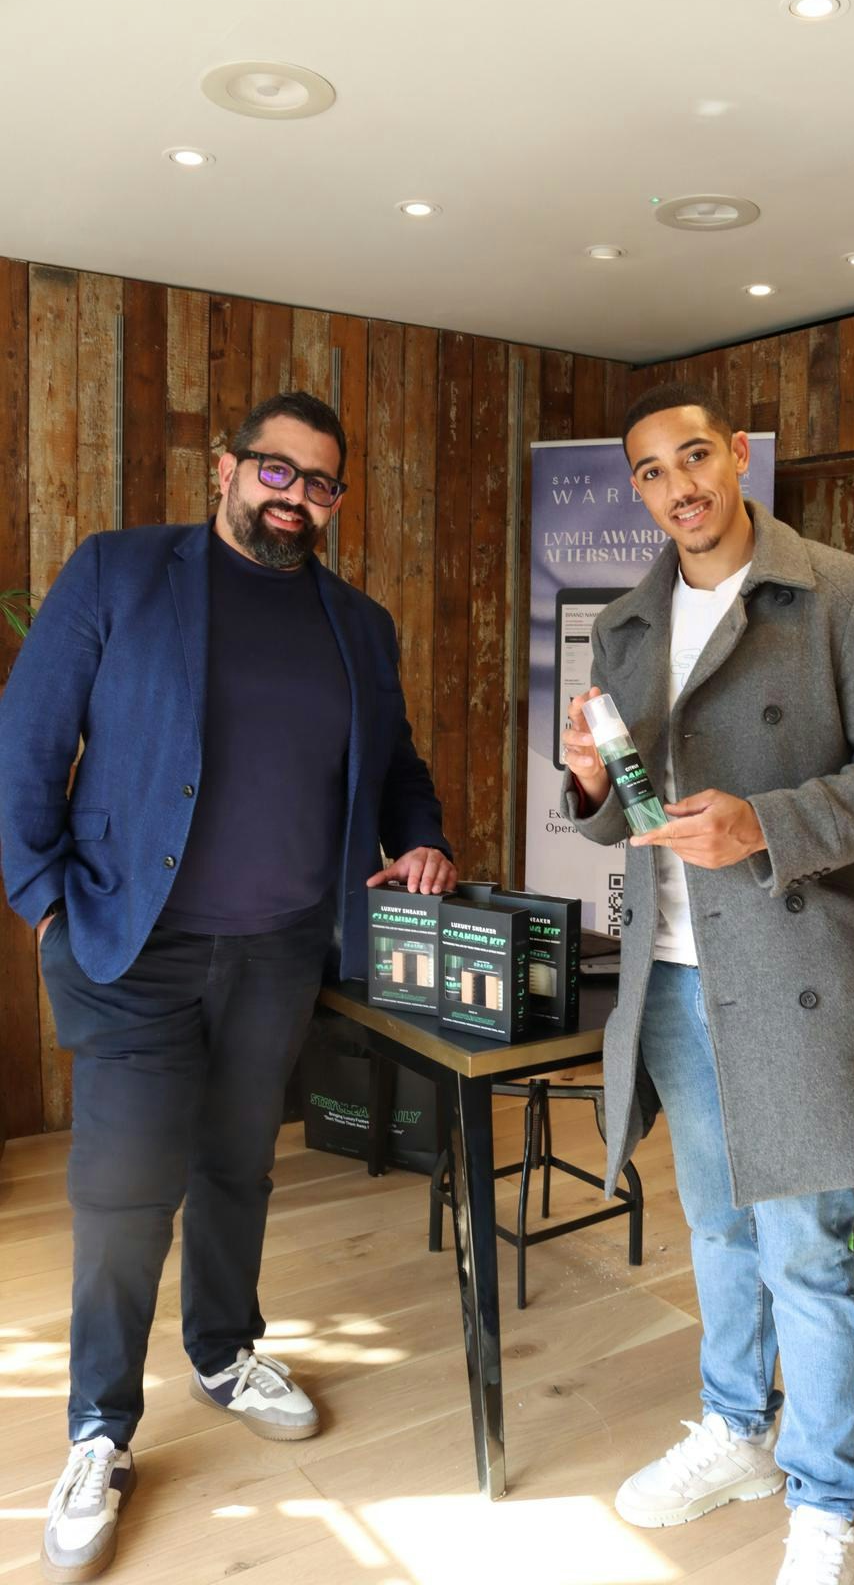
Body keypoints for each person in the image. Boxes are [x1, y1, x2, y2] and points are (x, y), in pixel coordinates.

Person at [0, 390, 457, 1581]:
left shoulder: (359, 624)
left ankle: (222, 1351)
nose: (296, 496)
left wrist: (422, 837)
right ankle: (99, 1428)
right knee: (123, 1190)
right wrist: (42, 900)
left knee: (237, 1167)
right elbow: (27, 738)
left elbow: (398, 768)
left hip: (280, 952)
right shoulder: (120, 573)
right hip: (133, 948)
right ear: (226, 468)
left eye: (320, 482)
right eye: (276, 470)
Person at [562, 381, 854, 1585]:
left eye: (694, 457)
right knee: (719, 1227)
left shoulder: (844, 592)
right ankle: (735, 1429)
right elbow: (621, 817)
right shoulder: (624, 625)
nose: (677, 486)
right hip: (672, 974)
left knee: (809, 1248)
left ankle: (825, 1498)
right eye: (651, 471)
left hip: (797, 968)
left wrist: (764, 823)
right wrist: (588, 786)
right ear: (636, 490)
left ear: (736, 458)